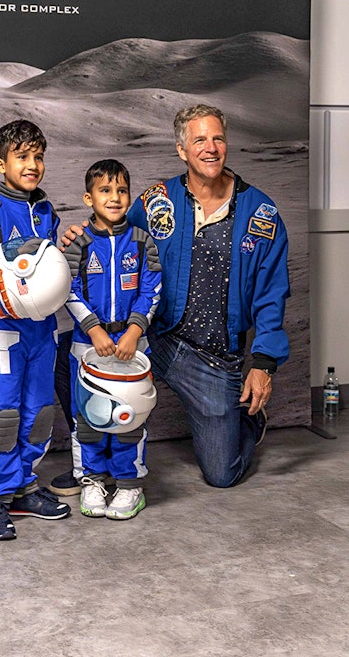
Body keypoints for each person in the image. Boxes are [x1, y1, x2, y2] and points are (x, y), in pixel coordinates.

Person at [123, 104, 291, 488]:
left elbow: (272, 292)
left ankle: (247, 422)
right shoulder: (155, 202)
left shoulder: (260, 213)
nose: (210, 148)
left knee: (221, 474)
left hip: (213, 360)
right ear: (182, 150)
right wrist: (82, 239)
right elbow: (116, 242)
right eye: (199, 140)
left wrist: (263, 365)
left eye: (217, 138)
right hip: (155, 338)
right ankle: (91, 465)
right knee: (70, 358)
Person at [0, 119, 72, 540]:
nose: (32, 165)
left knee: (40, 412)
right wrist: (7, 279)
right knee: (4, 415)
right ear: (0, 163)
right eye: (22, 157)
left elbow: (53, 267)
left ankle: (24, 486)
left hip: (42, 330)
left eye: (38, 157)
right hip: (3, 330)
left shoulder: (45, 209)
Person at [62, 159, 163, 519]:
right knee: (89, 417)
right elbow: (68, 289)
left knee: (128, 418)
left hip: (131, 346)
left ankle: (129, 485)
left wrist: (134, 331)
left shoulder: (142, 242)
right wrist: (94, 329)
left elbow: (151, 290)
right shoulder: (79, 244)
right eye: (105, 190)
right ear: (88, 198)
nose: (115, 197)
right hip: (89, 344)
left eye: (122, 190)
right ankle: (92, 479)